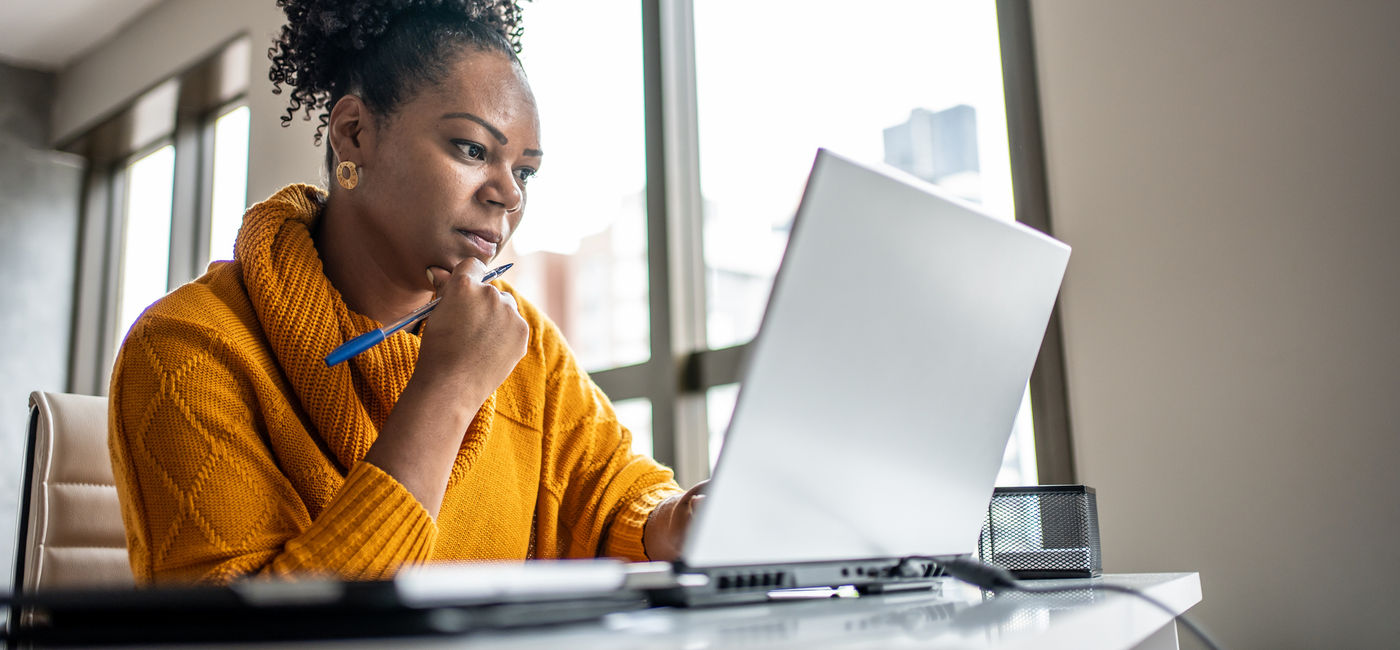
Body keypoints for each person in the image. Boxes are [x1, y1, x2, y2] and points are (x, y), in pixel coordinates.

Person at [107, 0, 702, 584]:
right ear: (354, 133)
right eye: (473, 150)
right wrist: (448, 391)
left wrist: (673, 522)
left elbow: (613, 496)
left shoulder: (527, 346)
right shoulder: (186, 349)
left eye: (524, 171)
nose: (509, 195)